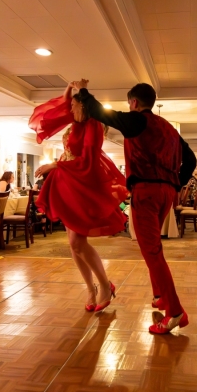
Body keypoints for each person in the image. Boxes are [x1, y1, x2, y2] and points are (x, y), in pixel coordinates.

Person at [76, 79, 197, 335]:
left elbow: (101, 113)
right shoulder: (169, 129)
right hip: (165, 193)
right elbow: (191, 159)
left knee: (152, 252)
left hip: (146, 192)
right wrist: (176, 184)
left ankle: (175, 312)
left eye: (128, 103)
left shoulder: (138, 120)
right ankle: (161, 297)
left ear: (133, 102)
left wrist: (83, 93)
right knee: (154, 249)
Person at [30, 82, 128, 313]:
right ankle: (91, 289)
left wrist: (53, 164)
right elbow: (59, 110)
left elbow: (88, 160)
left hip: (82, 182)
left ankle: (105, 285)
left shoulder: (93, 125)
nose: (70, 108)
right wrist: (69, 90)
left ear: (84, 107)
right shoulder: (75, 121)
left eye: (74, 105)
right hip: (67, 182)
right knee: (74, 245)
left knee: (77, 242)